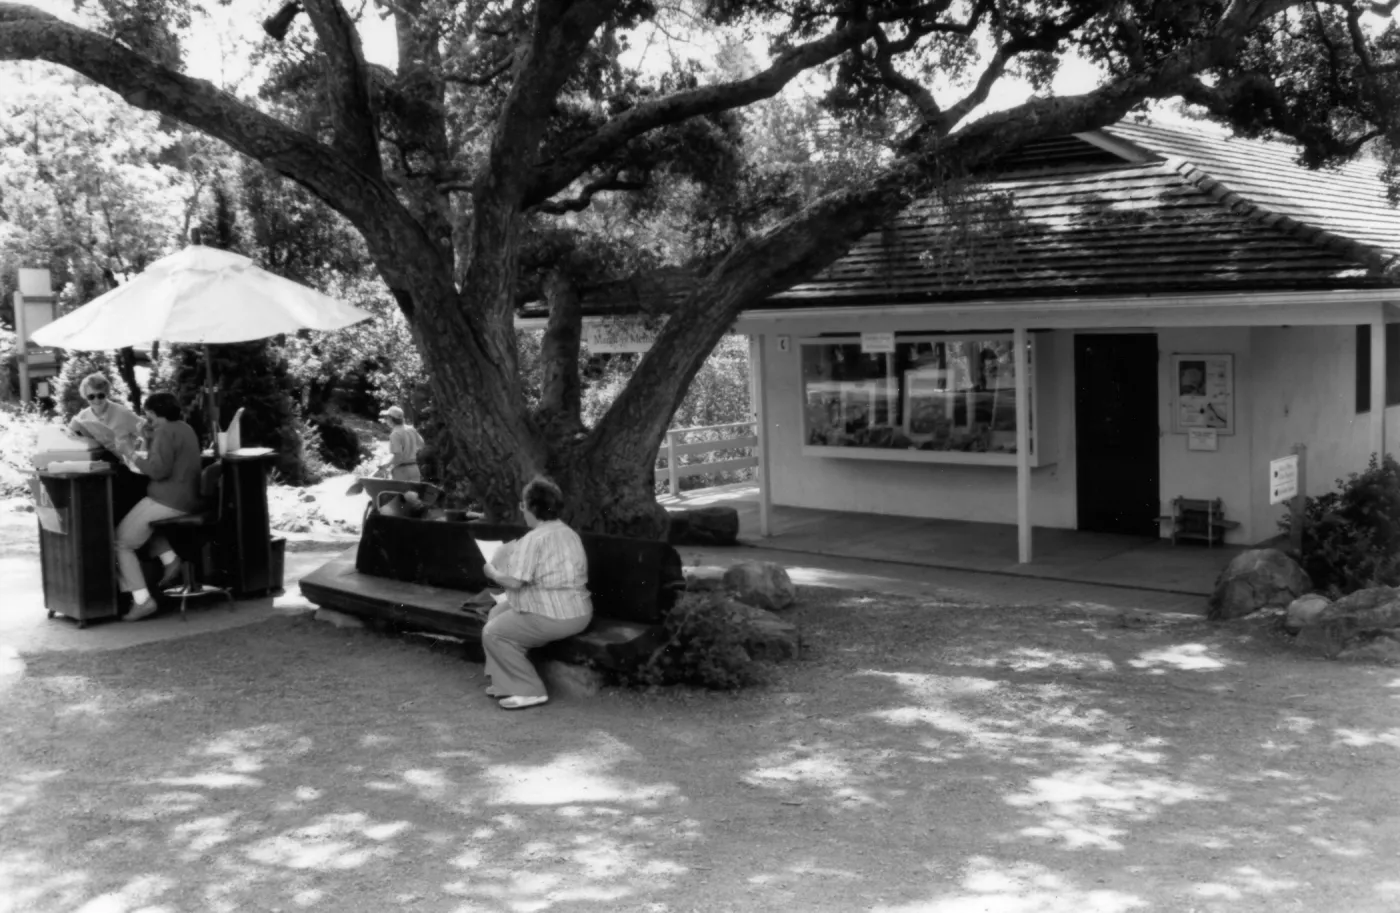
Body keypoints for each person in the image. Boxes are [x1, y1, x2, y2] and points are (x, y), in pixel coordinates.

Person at [480, 476, 593, 710]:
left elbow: (515, 582)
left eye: (523, 504)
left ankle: (529, 691)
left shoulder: (533, 539)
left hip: (553, 615)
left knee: (494, 633)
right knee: (497, 613)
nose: (522, 510)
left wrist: (491, 571)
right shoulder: (568, 532)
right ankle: (505, 683)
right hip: (579, 611)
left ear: (532, 507)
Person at [112, 391, 202, 621]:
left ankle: (143, 600)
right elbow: (164, 458)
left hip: (167, 500)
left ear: (152, 413)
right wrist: (149, 438)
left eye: (148, 415)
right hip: (187, 498)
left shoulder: (164, 432)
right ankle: (170, 560)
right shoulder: (184, 428)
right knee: (141, 527)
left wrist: (130, 453)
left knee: (121, 542)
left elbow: (157, 470)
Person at [67, 372, 142, 454]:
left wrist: (142, 453)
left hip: (123, 463)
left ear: (106, 394)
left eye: (100, 395)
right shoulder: (82, 417)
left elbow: (149, 431)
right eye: (91, 397)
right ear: (85, 397)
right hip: (97, 464)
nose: (96, 400)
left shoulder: (123, 413)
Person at [378, 405, 425, 482]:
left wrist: (386, 465)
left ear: (391, 419)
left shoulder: (395, 434)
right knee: (414, 493)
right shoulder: (411, 429)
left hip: (401, 470)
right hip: (414, 468)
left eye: (386, 418)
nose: (386, 420)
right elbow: (422, 445)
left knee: (400, 493)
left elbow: (398, 456)